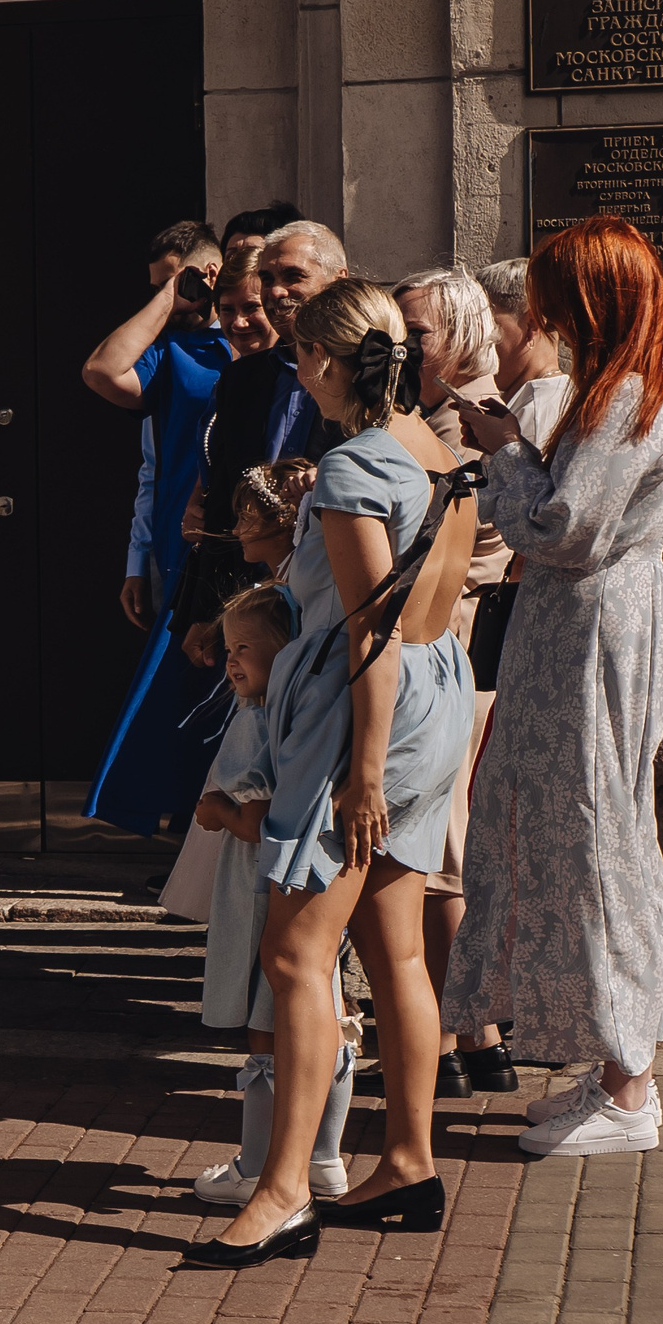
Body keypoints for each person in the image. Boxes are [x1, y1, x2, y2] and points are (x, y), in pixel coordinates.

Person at [186, 279, 477, 1270]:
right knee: (394, 945)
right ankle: (405, 1157)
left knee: (295, 953)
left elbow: (369, 635)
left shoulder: (354, 466)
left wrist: (357, 778)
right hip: (435, 696)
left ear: (321, 364)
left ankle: (281, 1190)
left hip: (365, 719)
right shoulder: (436, 450)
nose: (297, 376)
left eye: (301, 359)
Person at [444, 215, 663, 1159]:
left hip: (597, 635)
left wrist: (504, 453)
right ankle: (613, 1062)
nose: (540, 307)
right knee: (566, 833)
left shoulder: (631, 393)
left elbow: (563, 529)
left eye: (554, 290)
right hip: (569, 635)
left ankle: (632, 1085)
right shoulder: (614, 389)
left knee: (602, 844)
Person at [189, 581, 354, 1208]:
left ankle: (257, 1165)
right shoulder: (303, 716)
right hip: (313, 881)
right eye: (228, 648)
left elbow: (256, 821)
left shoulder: (258, 723)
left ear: (281, 655)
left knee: (267, 1032)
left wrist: (218, 814)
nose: (232, 661)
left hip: (261, 891)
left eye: (245, 648)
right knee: (330, 1019)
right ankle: (323, 1158)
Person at [393, 266, 516, 1099]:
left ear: (467, 333)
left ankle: (445, 1035)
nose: (405, 348)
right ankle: (478, 1036)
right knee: (449, 844)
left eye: (418, 334)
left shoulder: (472, 422)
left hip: (457, 648)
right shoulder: (445, 413)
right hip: (464, 648)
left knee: (442, 850)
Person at [81, 220, 232, 837]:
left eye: (173, 280)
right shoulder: (172, 351)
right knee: (180, 684)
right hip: (179, 543)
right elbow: (101, 372)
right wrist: (134, 559)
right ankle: (189, 836)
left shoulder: (260, 344)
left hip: (249, 540)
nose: (166, 298)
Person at [171, 220, 349, 667]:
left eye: (293, 277)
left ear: (338, 281)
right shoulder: (242, 378)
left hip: (337, 596)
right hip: (253, 601)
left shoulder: (370, 376)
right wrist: (207, 610)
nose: (276, 291)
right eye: (267, 278)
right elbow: (224, 502)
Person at [478, 257, 572, 449]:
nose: (477, 342)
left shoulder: (538, 411)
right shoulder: (546, 398)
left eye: (487, 326)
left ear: (531, 325)